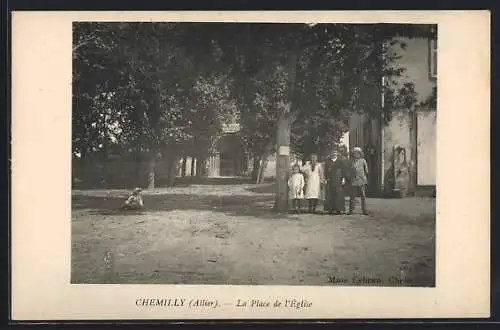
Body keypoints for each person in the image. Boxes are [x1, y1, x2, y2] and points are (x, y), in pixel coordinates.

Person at [324, 148, 347, 215]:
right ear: (330, 153)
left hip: (338, 179)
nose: (334, 154)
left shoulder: (340, 161)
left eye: (335, 152)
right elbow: (326, 171)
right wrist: (326, 178)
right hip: (330, 180)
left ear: (337, 153)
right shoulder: (328, 161)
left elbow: (343, 170)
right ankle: (330, 209)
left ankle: (339, 209)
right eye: (332, 152)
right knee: (330, 195)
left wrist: (343, 179)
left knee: (339, 195)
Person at [348, 147, 369, 215]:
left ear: (360, 154)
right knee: (352, 196)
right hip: (353, 180)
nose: (356, 154)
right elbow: (349, 170)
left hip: (361, 180)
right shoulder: (351, 161)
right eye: (355, 153)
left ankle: (364, 210)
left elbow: (366, 171)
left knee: (363, 196)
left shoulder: (363, 160)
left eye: (357, 153)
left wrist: (364, 178)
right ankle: (351, 210)